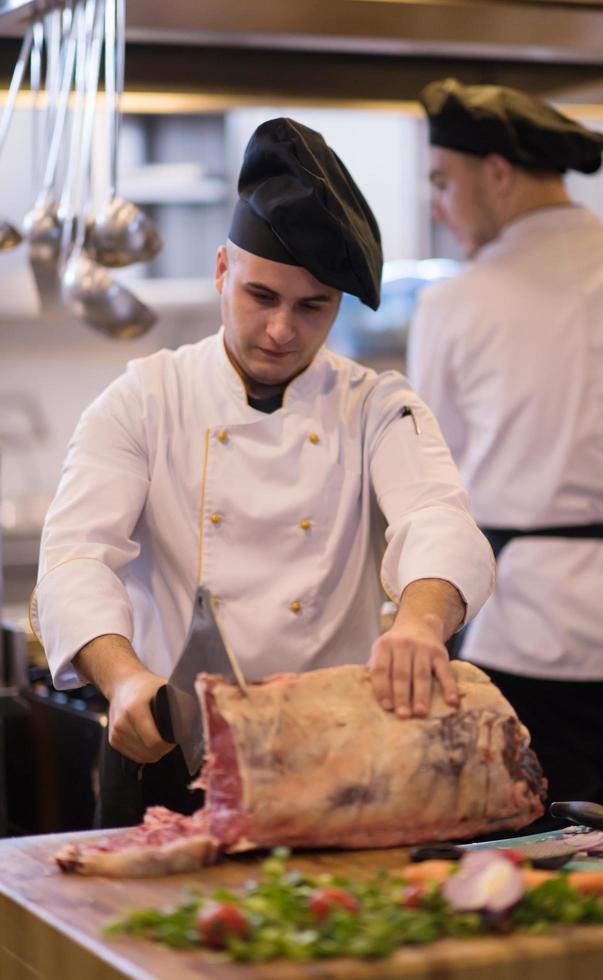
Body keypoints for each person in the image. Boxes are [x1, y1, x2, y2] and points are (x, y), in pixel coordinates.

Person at [31, 117, 494, 828]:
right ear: (223, 270)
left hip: (334, 755)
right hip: (164, 745)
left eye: (313, 308)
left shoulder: (377, 405)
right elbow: (75, 558)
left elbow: (437, 517)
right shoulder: (145, 398)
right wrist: (121, 680)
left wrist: (422, 623)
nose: (283, 330)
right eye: (262, 297)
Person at [408, 78, 603, 823]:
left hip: (525, 633)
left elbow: (432, 487)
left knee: (538, 862)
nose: (437, 206)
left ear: (500, 174)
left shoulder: (454, 304)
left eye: (444, 182)